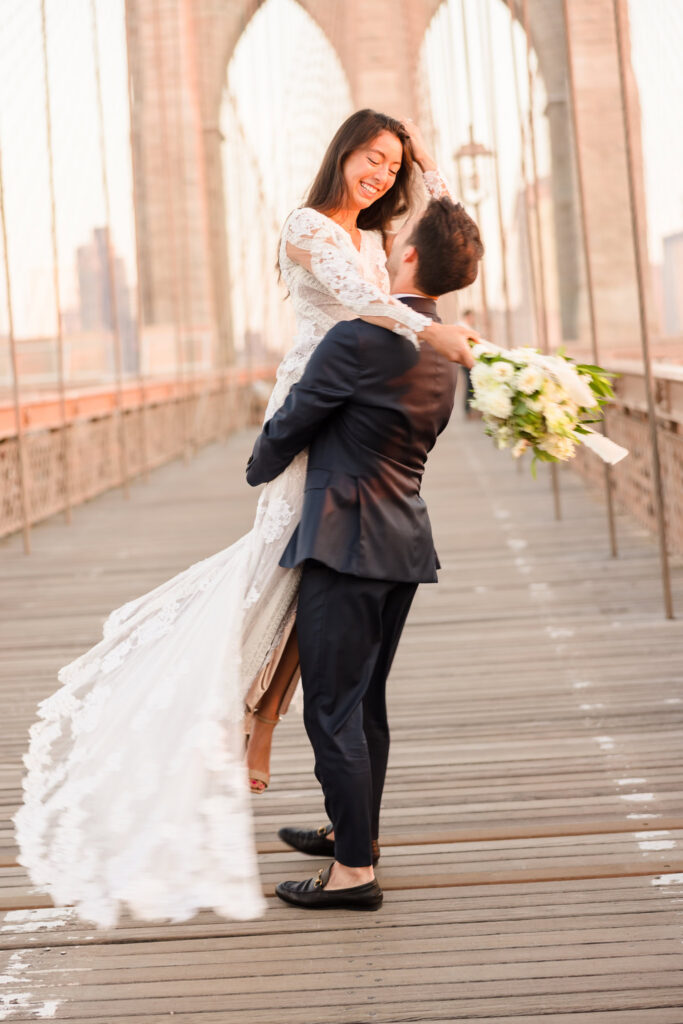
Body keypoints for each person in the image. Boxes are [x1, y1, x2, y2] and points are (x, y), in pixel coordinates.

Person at [14, 110, 476, 928]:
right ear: (340, 152)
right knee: (291, 583)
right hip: (321, 411)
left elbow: (416, 251)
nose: (379, 176)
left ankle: (271, 749)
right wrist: (432, 331)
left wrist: (428, 171)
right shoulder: (308, 226)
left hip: (341, 418)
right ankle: (264, 734)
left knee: (303, 589)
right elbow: (372, 300)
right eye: (370, 158)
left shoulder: (377, 238)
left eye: (390, 167)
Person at [246, 196, 483, 909]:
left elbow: (292, 421)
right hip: (403, 542)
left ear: (407, 258)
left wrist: (260, 466)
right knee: (364, 702)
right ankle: (357, 834)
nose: (383, 245)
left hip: (343, 542)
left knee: (330, 708)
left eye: (397, 237)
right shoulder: (448, 355)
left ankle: (353, 873)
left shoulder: (355, 337)